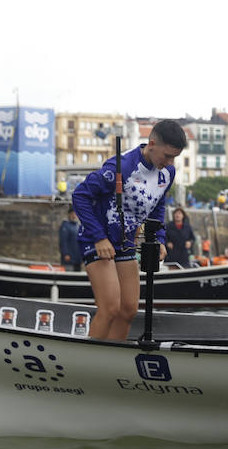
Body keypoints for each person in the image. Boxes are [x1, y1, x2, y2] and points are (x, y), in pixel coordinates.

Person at [71, 119, 185, 341]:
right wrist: (99, 238)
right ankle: (89, 360)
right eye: (167, 156)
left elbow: (158, 204)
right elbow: (80, 196)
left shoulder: (167, 173)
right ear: (152, 144)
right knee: (111, 307)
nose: (171, 162)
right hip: (97, 240)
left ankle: (112, 361)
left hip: (125, 243)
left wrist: (160, 237)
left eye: (175, 158)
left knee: (128, 309)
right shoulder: (119, 167)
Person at [58, 207, 81, 272]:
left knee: (77, 277)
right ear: (69, 215)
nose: (74, 216)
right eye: (72, 214)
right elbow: (63, 242)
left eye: (75, 214)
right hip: (69, 259)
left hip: (77, 258)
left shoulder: (78, 226)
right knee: (69, 276)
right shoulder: (65, 226)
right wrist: (65, 254)